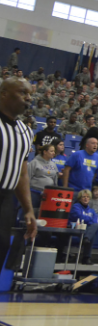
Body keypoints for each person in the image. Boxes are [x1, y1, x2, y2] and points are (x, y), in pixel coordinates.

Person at [0, 79, 39, 267]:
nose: (28, 98)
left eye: (30, 94)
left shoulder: (25, 132)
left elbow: (22, 174)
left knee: (1, 247)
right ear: (4, 93)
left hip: (5, 199)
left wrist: (28, 209)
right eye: (23, 92)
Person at [68, 189, 97, 264]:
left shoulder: (92, 211)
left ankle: (86, 238)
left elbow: (95, 221)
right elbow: (79, 217)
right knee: (91, 233)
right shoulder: (75, 207)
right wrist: (89, 220)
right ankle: (86, 258)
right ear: (80, 198)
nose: (86, 198)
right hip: (76, 228)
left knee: (95, 226)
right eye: (84, 196)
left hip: (86, 230)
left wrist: (87, 220)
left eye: (87, 197)